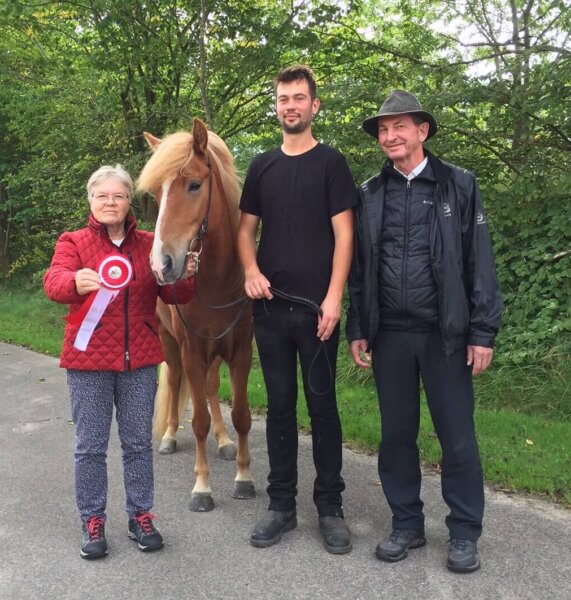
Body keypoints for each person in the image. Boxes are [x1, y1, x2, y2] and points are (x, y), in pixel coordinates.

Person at [346, 90, 503, 573]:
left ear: (422, 131)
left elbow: (480, 262)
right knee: (396, 436)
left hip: (446, 336)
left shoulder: (459, 185)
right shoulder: (370, 193)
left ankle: (463, 532)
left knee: (457, 437)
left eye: (399, 127)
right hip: (389, 334)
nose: (390, 136)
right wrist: (359, 327)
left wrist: (482, 331)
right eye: (383, 130)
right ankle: (407, 524)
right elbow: (359, 268)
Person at [43, 165, 195, 559]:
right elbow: (53, 282)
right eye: (102, 196)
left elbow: (178, 296)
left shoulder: (149, 243)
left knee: (137, 444)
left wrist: (187, 275)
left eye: (119, 196)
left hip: (140, 361)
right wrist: (72, 282)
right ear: (91, 201)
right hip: (88, 363)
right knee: (90, 447)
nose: (110, 203)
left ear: (130, 201)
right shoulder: (72, 241)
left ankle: (141, 516)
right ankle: (92, 521)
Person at [237, 65, 358, 554]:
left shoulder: (332, 164)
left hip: (316, 313)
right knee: (281, 408)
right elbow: (246, 231)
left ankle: (330, 506)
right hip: (268, 311)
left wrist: (334, 297)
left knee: (323, 409)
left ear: (314, 106)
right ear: (277, 105)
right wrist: (249, 270)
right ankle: (280, 505)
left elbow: (345, 235)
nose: (291, 105)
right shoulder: (262, 165)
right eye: (284, 98)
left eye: (299, 98)